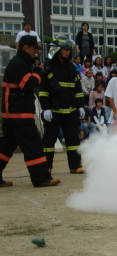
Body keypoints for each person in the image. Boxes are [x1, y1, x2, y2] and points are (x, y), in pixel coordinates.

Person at [0, 35, 59, 187]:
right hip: (18, 114)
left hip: (14, 113)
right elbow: (28, 83)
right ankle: (41, 178)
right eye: (34, 49)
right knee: (33, 145)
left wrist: (36, 71)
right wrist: (39, 72)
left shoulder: (22, 63)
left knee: (6, 147)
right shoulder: (18, 63)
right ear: (26, 47)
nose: (36, 52)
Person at [39, 35, 85, 174]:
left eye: (69, 50)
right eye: (65, 49)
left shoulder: (71, 68)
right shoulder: (47, 67)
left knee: (73, 141)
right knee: (49, 142)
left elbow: (77, 89)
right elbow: (43, 91)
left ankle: (75, 166)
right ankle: (46, 167)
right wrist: (46, 108)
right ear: (57, 50)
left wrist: (81, 105)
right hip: (54, 112)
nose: (67, 52)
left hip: (70, 111)